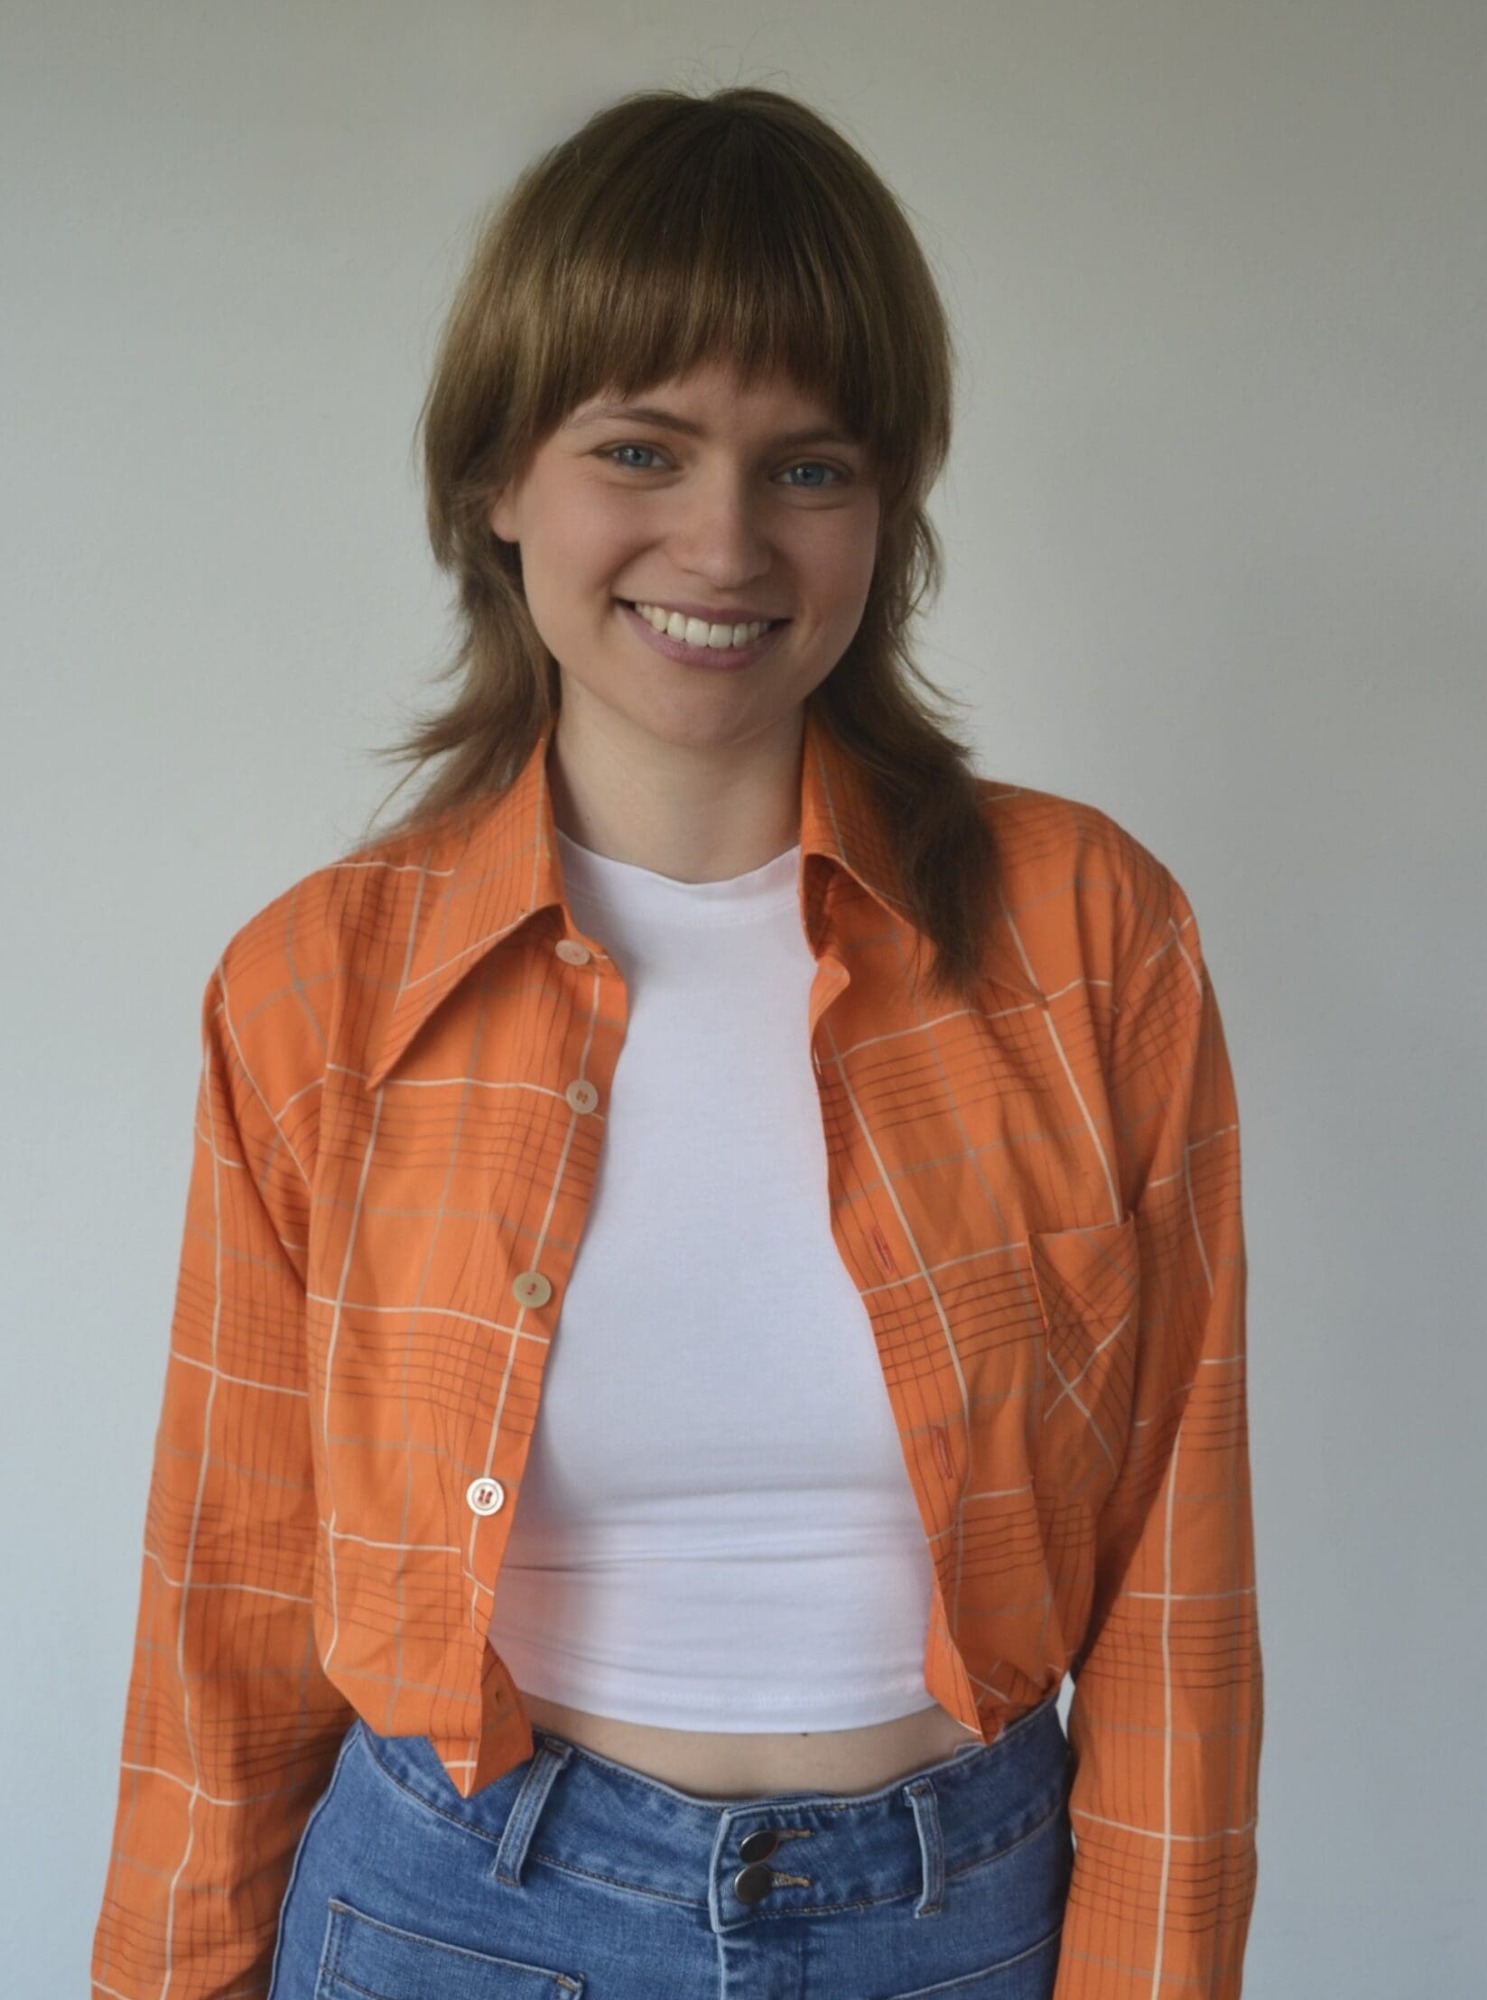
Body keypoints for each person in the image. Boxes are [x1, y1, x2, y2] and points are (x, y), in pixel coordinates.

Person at [91, 84, 1262, 2000]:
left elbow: (1175, 1578)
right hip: (450, 1922)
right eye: (640, 448)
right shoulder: (318, 987)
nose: (722, 542)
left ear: (885, 509)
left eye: (809, 467)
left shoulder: (1084, 938)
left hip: (961, 1926)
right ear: (499, 478)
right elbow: (226, 1607)